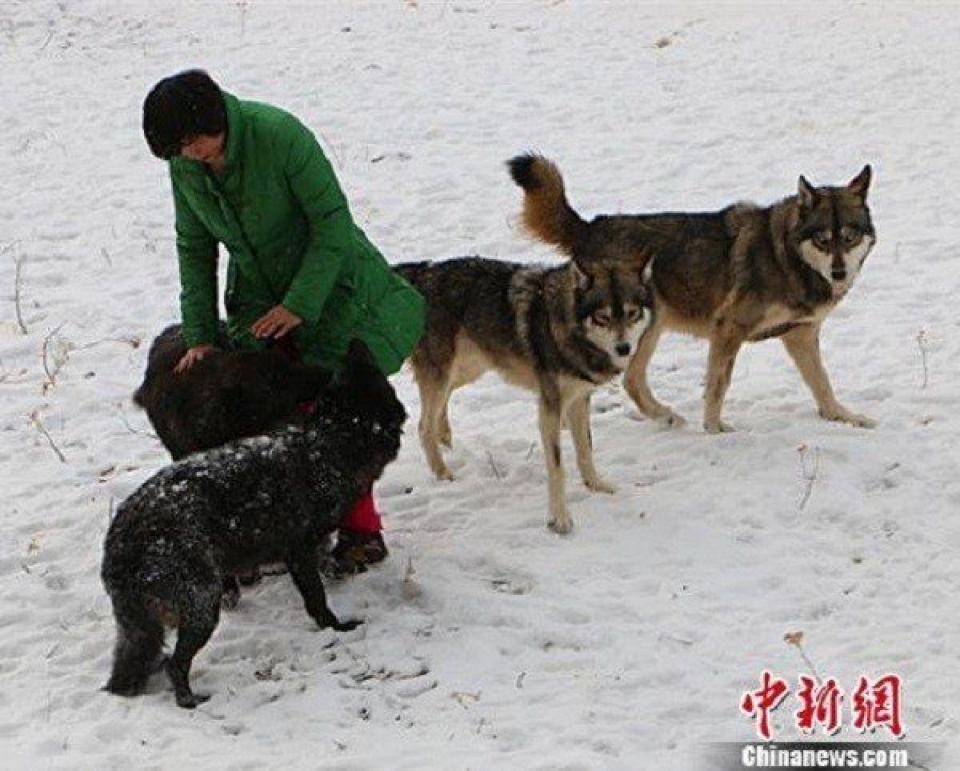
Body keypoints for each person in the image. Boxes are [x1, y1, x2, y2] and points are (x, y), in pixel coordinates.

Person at [142, 69, 424, 571]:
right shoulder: (186, 165)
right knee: (275, 409)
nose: (190, 155)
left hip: (336, 286)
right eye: (178, 150)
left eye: (193, 142)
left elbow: (332, 225)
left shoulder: (279, 135)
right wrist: (203, 335)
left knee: (337, 407)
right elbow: (195, 246)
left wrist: (300, 303)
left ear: (214, 119)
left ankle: (362, 532)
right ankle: (291, 531)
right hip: (258, 297)